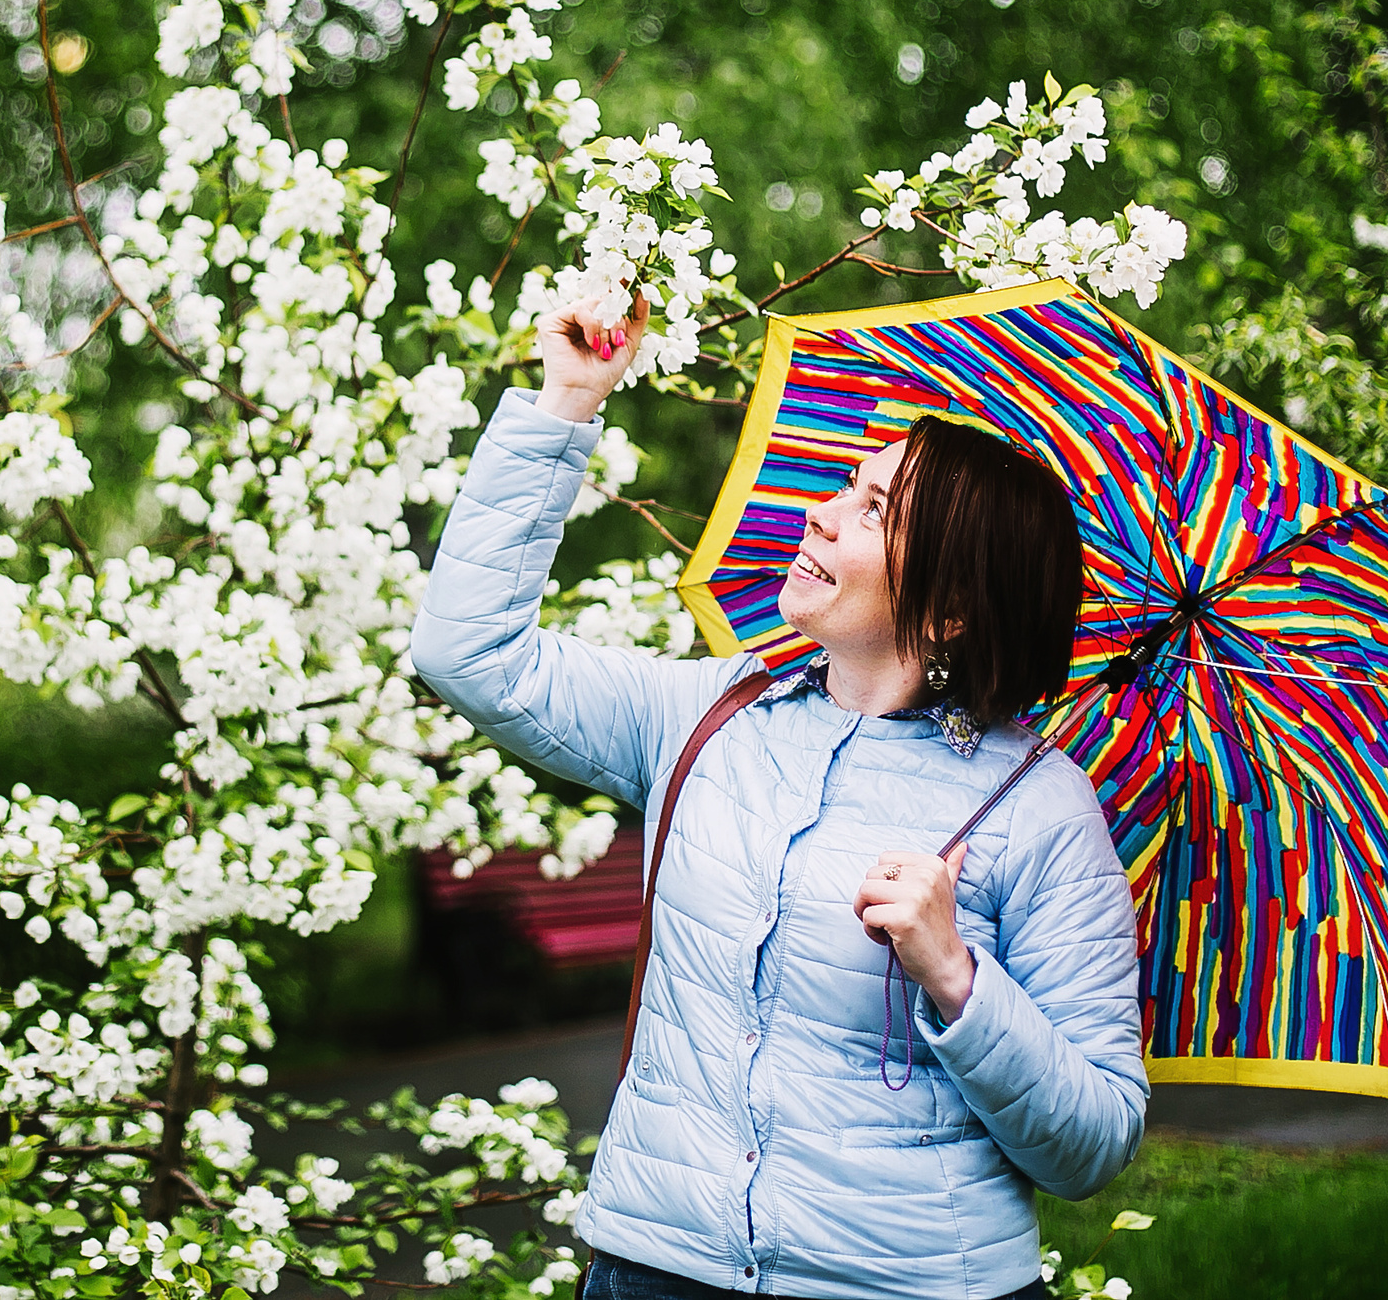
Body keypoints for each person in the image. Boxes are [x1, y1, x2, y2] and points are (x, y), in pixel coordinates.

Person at [408, 301, 1145, 1300]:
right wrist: (566, 404)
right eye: (848, 484)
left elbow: (1092, 1143)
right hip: (656, 1269)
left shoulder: (1038, 808)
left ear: (950, 606)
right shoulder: (709, 717)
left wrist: (957, 977)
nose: (824, 511)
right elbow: (470, 654)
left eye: (875, 508)